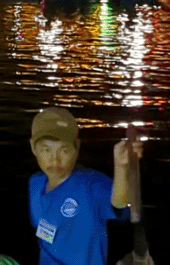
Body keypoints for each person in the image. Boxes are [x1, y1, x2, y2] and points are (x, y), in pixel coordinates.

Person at [28, 107, 141, 265]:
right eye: (46, 150)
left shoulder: (91, 185)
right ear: (33, 147)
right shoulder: (35, 183)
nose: (55, 160)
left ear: (77, 148)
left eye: (64, 150)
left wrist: (121, 167)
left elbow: (119, 202)